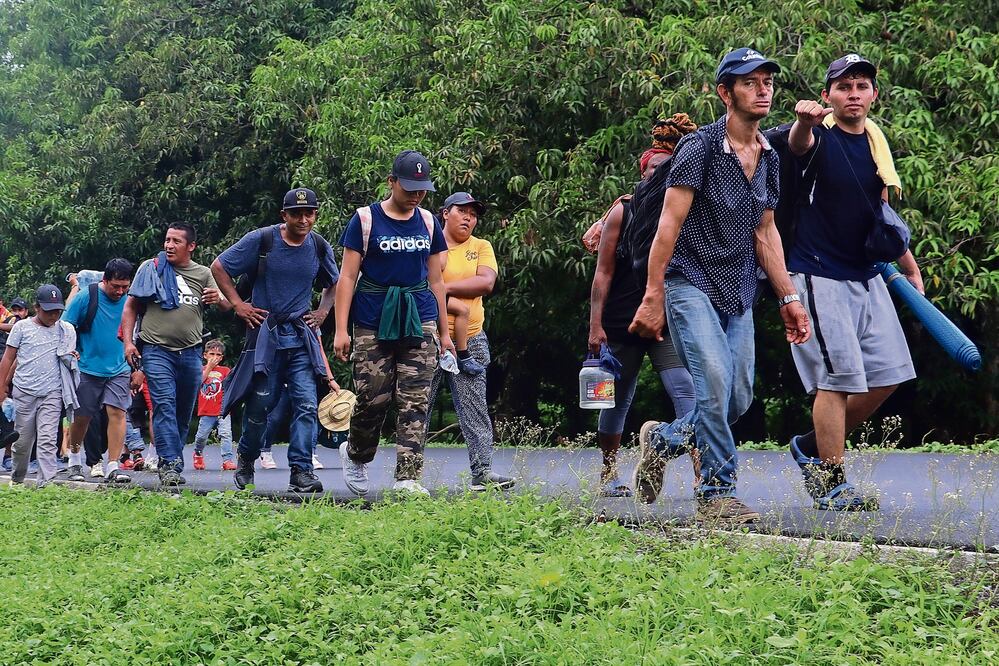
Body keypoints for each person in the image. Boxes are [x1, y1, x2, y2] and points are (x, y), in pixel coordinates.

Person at [629, 48, 810, 524]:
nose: (763, 90)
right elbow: (668, 226)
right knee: (713, 382)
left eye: (767, 81)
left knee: (738, 397)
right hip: (689, 280)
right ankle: (716, 495)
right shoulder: (700, 148)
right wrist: (653, 294)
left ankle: (663, 440)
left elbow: (765, 232)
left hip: (739, 287)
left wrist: (788, 297)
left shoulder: (768, 157)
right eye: (750, 82)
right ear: (725, 93)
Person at [784, 54, 921, 511]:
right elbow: (798, 146)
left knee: (890, 374)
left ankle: (811, 446)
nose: (854, 94)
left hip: (867, 272)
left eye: (862, 86)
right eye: (844, 87)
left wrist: (908, 264)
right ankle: (831, 480)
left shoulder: (876, 141)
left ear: (873, 95)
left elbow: (879, 211)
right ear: (828, 96)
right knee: (836, 379)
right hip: (818, 272)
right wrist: (803, 123)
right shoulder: (818, 136)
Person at [587, 116, 699, 497]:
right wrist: (595, 327)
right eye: (653, 168)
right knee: (616, 399)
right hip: (622, 322)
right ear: (642, 172)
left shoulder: (684, 210)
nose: (658, 174)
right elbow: (602, 273)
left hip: (667, 320)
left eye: (666, 169)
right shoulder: (623, 211)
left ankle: (703, 476)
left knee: (686, 393)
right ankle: (608, 473)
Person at [334, 150, 455, 496]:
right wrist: (341, 329)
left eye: (422, 189)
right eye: (409, 188)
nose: (417, 195)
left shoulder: (429, 222)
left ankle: (407, 477)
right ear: (391, 182)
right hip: (372, 319)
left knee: (415, 400)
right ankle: (356, 454)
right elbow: (347, 277)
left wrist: (444, 332)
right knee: (372, 397)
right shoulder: (365, 219)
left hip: (420, 317)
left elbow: (436, 280)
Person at [213, 187, 340, 493]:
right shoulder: (263, 239)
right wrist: (238, 305)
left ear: (315, 215)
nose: (303, 219)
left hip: (300, 338)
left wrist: (323, 311)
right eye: (296, 214)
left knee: (306, 404)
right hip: (266, 337)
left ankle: (301, 471)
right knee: (260, 406)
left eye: (309, 213)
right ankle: (247, 458)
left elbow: (335, 282)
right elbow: (219, 267)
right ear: (284, 215)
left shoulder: (318, 245)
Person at [122, 222, 231, 486]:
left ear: (191, 246)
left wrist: (217, 298)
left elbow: (227, 305)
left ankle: (172, 462)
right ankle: (169, 463)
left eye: (176, 241)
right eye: (167, 240)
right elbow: (130, 307)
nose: (169, 245)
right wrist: (128, 343)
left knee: (183, 411)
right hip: (156, 351)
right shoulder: (151, 268)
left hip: (192, 353)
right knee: (164, 406)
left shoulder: (203, 273)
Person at [426, 192, 515, 491]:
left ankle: (483, 471)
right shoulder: (429, 244)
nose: (468, 218)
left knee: (475, 407)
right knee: (417, 406)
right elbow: (421, 285)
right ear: (445, 213)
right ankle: (408, 475)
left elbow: (485, 283)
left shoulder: (481, 246)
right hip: (429, 336)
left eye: (473, 214)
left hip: (471, 337)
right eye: (462, 211)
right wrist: (438, 289)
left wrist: (443, 287)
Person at [61, 258, 137, 483]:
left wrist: (137, 368)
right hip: (87, 367)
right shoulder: (87, 296)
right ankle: (74, 460)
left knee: (118, 413)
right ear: (105, 280)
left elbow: (138, 332)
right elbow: (66, 326)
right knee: (82, 417)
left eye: (125, 287)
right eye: (116, 286)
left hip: (120, 367)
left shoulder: (131, 300)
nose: (120, 291)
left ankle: (113, 466)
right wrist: (71, 353)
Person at [0, 285, 78, 486]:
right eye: (48, 311)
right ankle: (17, 479)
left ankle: (46, 484)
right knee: (22, 442)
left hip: (52, 391)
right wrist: (2, 386)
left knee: (47, 440)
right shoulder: (22, 328)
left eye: (57, 311)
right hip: (24, 391)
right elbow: (8, 358)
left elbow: (66, 356)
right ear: (36, 307)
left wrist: (72, 357)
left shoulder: (66, 330)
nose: (53, 316)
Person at [191, 339, 235, 471]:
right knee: (201, 436)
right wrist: (209, 367)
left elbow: (230, 387)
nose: (215, 357)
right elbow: (197, 383)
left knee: (226, 434)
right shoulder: (200, 369)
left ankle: (227, 460)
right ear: (205, 355)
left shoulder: (225, 370)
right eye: (212, 354)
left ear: (221, 357)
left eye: (218, 355)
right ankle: (198, 453)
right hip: (206, 410)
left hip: (223, 410)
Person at [0, 297, 28, 470]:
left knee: (12, 417)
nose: (17, 313)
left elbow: (16, 326)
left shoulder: (13, 320)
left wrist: (5, 381)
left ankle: (9, 456)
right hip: (4, 372)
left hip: (12, 376)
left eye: (21, 310)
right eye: (15, 309)